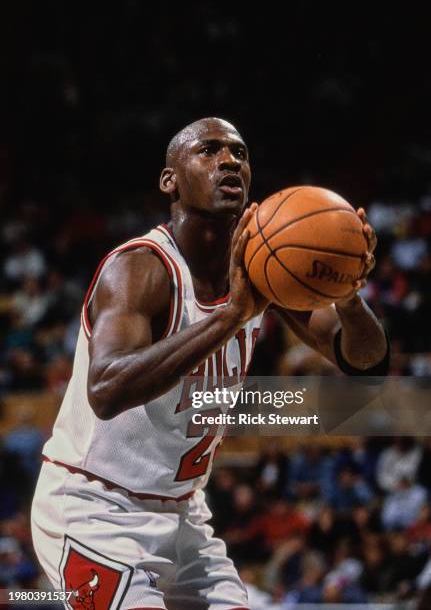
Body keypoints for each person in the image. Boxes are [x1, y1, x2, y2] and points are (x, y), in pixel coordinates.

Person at [31, 117, 388, 610]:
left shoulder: (264, 265)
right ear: (169, 180)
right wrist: (231, 317)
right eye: (209, 150)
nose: (229, 161)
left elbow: (365, 365)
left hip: (184, 516)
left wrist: (348, 297)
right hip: (94, 508)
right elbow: (107, 389)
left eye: (240, 153)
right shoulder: (140, 268)